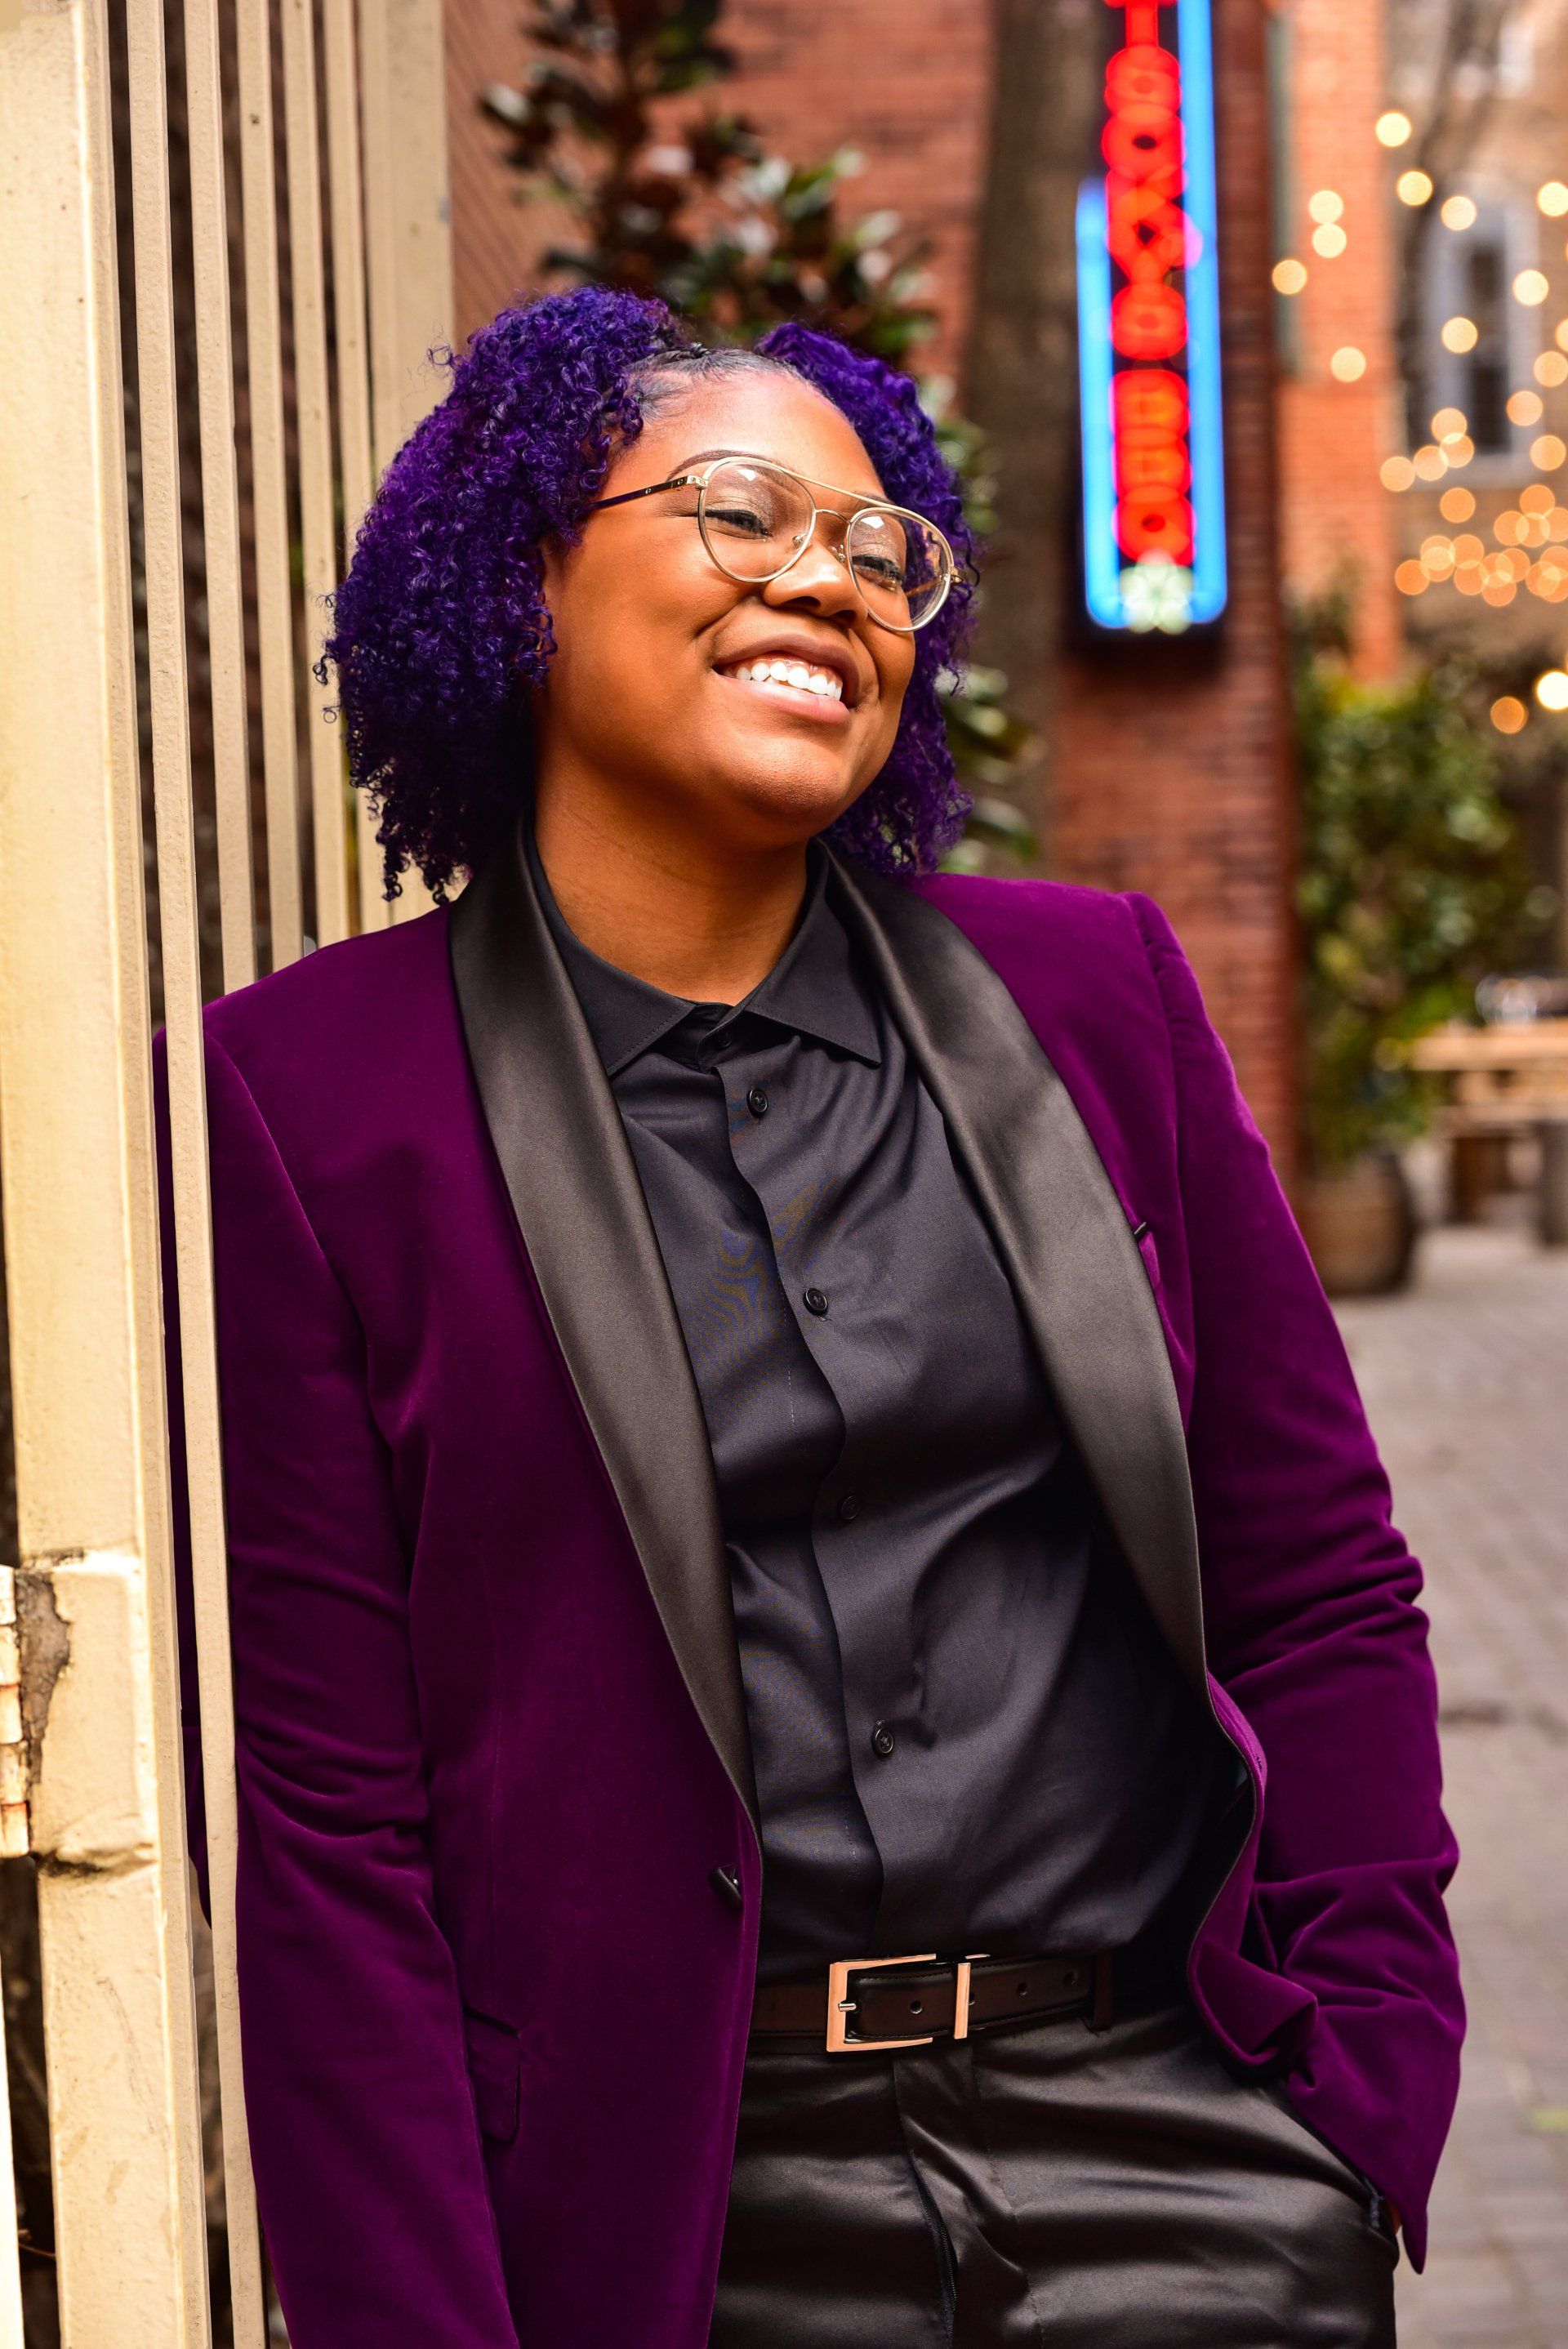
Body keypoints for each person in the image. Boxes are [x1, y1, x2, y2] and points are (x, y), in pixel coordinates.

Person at [155, 284, 1462, 2348]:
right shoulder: (314, 1101)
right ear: (522, 575)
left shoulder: (1095, 1001)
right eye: (743, 509)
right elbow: (336, 1820)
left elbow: (1315, 1578)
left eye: (880, 551)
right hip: (674, 2209)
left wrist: (1361, 2085)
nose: (828, 583)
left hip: (1179, 2149)